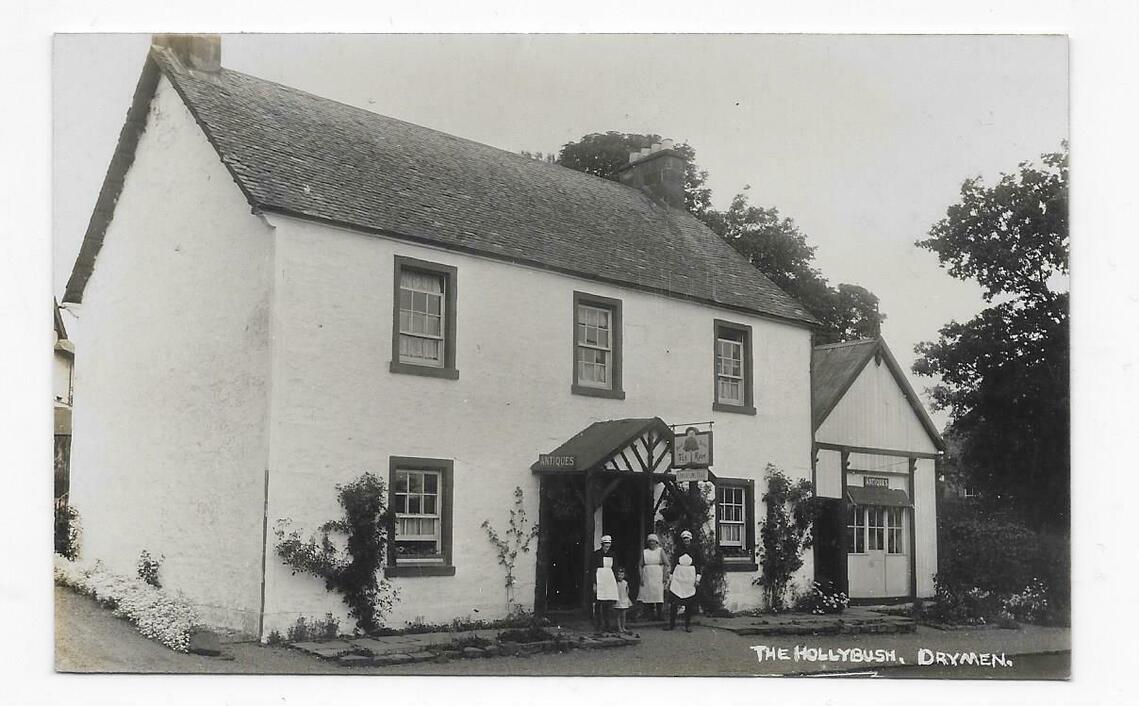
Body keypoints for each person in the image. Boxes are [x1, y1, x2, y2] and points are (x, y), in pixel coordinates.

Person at [664, 529, 702, 632]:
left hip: (690, 576)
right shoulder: (678, 550)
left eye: (688, 539)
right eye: (684, 539)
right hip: (678, 575)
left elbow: (698, 565)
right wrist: (671, 579)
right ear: (682, 540)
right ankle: (671, 625)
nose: (686, 540)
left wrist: (697, 579)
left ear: (690, 539)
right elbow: (674, 563)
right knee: (674, 602)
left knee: (689, 603)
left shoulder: (695, 550)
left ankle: (687, 625)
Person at [591, 534, 619, 633]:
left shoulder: (612, 554)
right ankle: (598, 625)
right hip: (599, 579)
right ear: (602, 544)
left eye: (609, 544)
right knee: (598, 604)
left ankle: (607, 626)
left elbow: (615, 568)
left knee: (607, 604)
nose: (607, 547)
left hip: (609, 579)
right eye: (605, 545)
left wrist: (615, 581)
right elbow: (593, 569)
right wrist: (594, 583)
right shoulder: (596, 554)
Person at [639, 533, 668, 620]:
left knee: (658, 595)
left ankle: (660, 615)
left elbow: (666, 564)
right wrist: (641, 577)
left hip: (658, 575)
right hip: (647, 574)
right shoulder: (645, 552)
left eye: (653, 541)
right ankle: (650, 615)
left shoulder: (660, 551)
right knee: (648, 595)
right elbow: (640, 565)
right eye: (650, 541)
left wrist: (664, 576)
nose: (652, 543)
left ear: (656, 542)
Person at [613, 567, 633, 633]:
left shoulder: (625, 583)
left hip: (623, 599)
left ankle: (623, 627)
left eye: (622, 575)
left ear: (624, 575)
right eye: (619, 575)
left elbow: (627, 591)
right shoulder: (615, 583)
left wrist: (627, 598)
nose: (620, 576)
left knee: (623, 615)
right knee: (618, 615)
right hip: (618, 599)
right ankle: (619, 628)